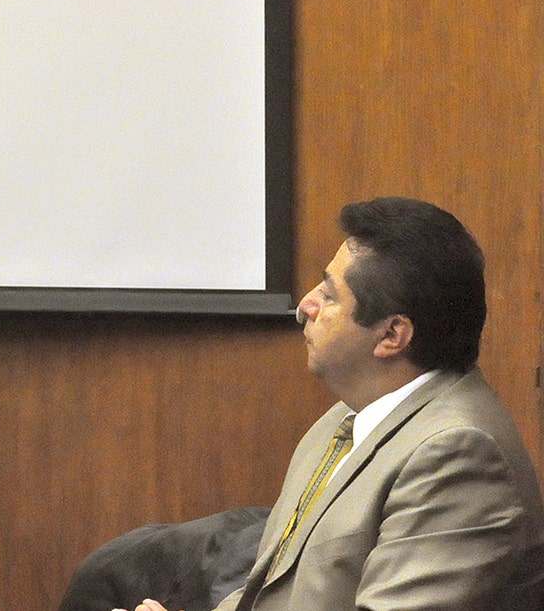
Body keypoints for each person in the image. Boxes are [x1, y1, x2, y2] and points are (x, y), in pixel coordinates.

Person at [117, 197, 544, 610]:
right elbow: (269, 593)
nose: (305, 305)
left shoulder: (458, 455)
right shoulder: (347, 417)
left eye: (329, 295)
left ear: (391, 335)